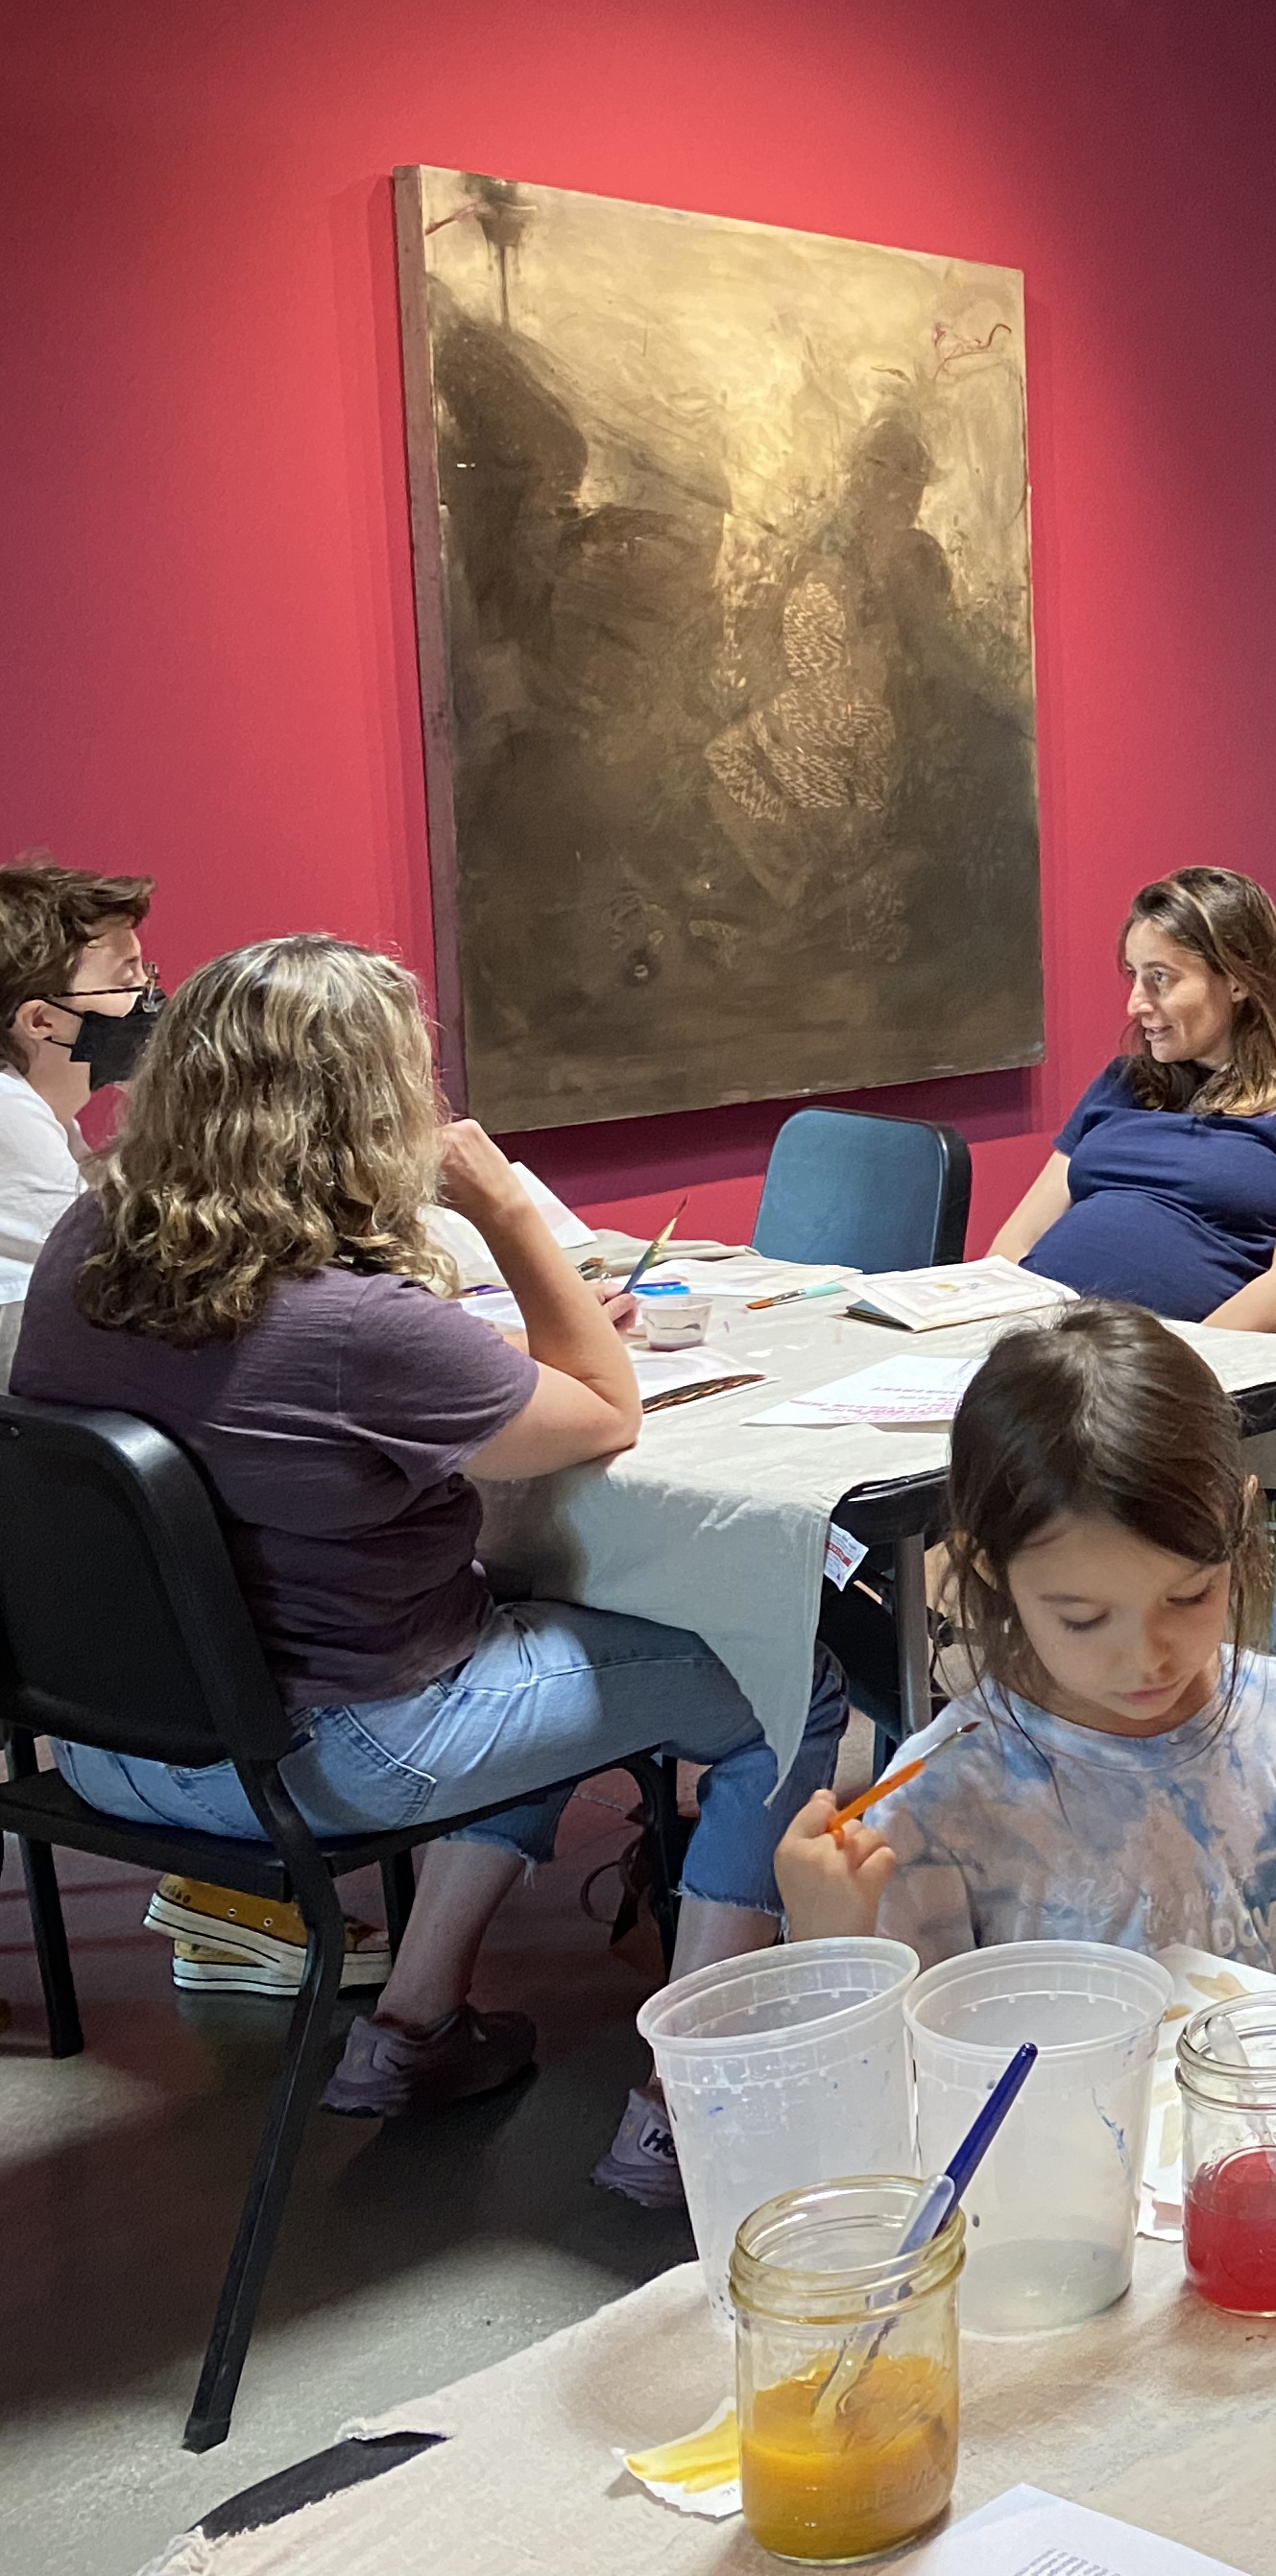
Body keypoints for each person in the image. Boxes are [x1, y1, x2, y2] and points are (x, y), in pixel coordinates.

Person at [8, 936, 845, 2203]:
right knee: (790, 1680)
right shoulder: (354, 1324)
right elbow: (606, 1411)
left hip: (110, 1744)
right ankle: (693, 2101)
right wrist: (506, 1210)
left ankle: (412, 2027)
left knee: (514, 1624)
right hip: (319, 1755)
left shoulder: (89, 1243)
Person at [774, 1301, 1276, 1966]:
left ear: (1242, 1519)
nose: (1147, 1658)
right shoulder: (942, 1802)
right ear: (990, 1568)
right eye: (1083, 1618)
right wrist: (830, 1940)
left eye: (1189, 1595)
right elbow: (887, 2029)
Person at [990, 867, 1276, 1333]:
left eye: (1160, 978)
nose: (1135, 1003)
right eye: (1134, 975)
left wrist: (1176, 1364)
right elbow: (1016, 1243)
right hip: (1043, 1346)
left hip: (1172, 1361)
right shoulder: (1125, 1083)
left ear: (1238, 980)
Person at [0, 854, 156, 1275]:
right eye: (127, 979)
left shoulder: (53, 1119)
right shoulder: (7, 1111)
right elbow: (117, 1265)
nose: (147, 996)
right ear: (41, 1020)